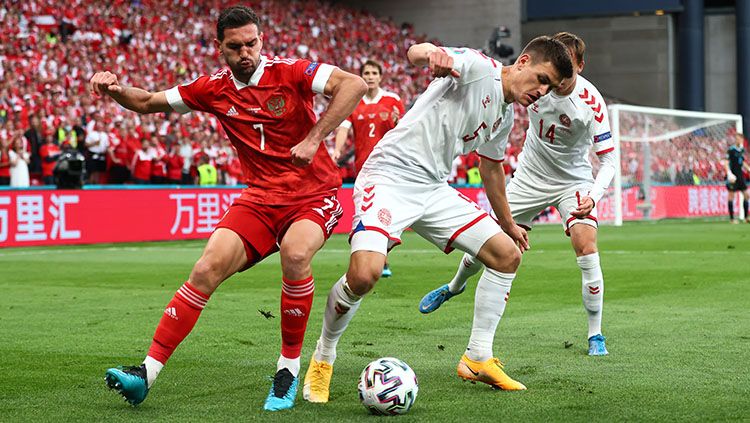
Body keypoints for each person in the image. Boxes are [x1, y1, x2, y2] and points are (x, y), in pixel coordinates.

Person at [91, 5, 366, 411]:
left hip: (313, 193)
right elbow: (148, 101)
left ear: (261, 41)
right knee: (205, 268)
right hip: (259, 198)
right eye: (235, 46)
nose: (246, 52)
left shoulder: (292, 72)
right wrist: (114, 91)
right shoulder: (212, 88)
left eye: (252, 43)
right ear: (220, 47)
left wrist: (314, 138)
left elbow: (354, 85)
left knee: (294, 253)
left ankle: (287, 368)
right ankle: (145, 374)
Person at [303, 36, 572, 403]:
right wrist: (434, 55)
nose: (542, 91)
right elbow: (416, 51)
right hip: (390, 176)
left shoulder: (505, 115)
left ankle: (477, 358)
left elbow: (491, 170)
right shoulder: (479, 68)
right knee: (364, 275)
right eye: (542, 79)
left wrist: (508, 224)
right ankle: (323, 356)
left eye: (551, 88)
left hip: (432, 187)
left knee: (507, 254)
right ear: (523, 62)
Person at [419, 32, 615, 357]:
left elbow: (608, 158)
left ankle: (595, 333)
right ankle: (454, 286)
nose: (551, 81)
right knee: (492, 241)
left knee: (586, 246)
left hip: (573, 181)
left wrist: (594, 195)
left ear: (579, 65)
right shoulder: (533, 87)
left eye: (564, 69)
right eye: (549, 69)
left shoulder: (591, 102)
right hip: (529, 175)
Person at [332, 59, 405, 278]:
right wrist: (337, 150)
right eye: (367, 72)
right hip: (364, 168)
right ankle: (371, 260)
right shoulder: (353, 101)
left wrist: (397, 122)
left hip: (390, 166)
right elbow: (344, 128)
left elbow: (404, 129)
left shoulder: (393, 100)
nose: (371, 76)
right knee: (364, 215)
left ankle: (379, 259)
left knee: (385, 214)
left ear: (380, 76)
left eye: (374, 72)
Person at [726, 132, 750, 223]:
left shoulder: (742, 150)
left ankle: (746, 217)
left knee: (746, 195)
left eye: (740, 138)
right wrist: (729, 173)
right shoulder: (731, 150)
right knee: (731, 196)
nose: (738, 140)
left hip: (740, 176)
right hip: (733, 176)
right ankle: (732, 219)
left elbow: (742, 162)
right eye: (736, 138)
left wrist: (748, 168)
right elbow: (726, 162)